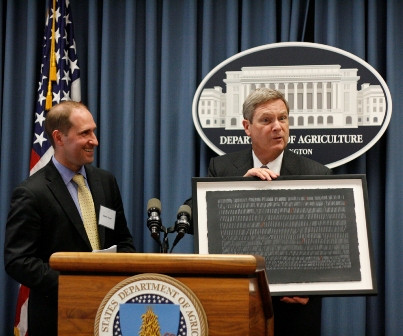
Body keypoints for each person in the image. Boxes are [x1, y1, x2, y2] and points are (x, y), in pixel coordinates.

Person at [188, 87, 332, 335]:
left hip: (294, 307)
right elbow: (191, 219)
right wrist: (235, 191)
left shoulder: (316, 173)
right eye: (267, 120)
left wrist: (313, 286)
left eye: (283, 118)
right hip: (238, 300)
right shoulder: (222, 168)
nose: (278, 126)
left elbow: (332, 242)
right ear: (247, 127)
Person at [4, 101, 136, 335]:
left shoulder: (106, 182)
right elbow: (18, 261)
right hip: (57, 316)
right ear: (59, 137)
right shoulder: (32, 193)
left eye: (93, 131)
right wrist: (75, 283)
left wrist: (111, 277)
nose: (94, 140)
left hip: (110, 312)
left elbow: (123, 241)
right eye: (85, 133)